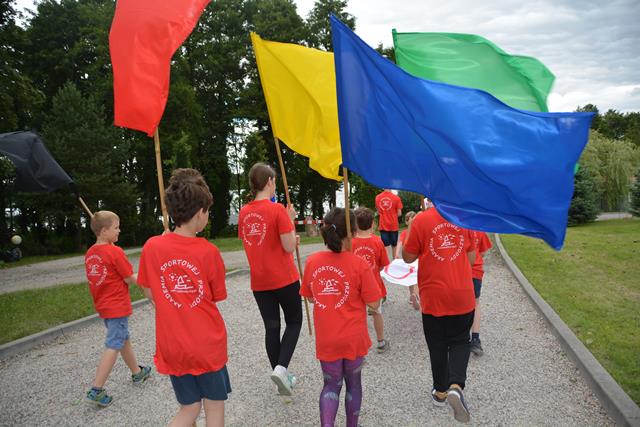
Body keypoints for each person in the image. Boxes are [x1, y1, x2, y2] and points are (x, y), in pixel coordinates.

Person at [137, 169, 230, 427]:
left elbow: (149, 291)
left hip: (173, 345)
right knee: (213, 406)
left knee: (189, 408)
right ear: (200, 213)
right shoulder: (208, 251)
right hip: (206, 345)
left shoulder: (152, 247)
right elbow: (216, 296)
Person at [300, 208, 382, 427]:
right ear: (353, 233)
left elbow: (310, 297)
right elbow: (374, 303)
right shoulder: (359, 264)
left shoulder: (313, 261)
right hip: (353, 338)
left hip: (328, 337)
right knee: (354, 384)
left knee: (331, 385)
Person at [403, 207, 476, 423]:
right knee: (461, 340)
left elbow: (408, 257)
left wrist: (411, 229)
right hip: (462, 292)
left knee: (437, 342)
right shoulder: (464, 216)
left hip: (433, 294)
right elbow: (471, 258)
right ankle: (456, 385)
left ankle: (441, 391)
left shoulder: (421, 220)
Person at [238, 163, 302, 396]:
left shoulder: (244, 212)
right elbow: (288, 246)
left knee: (272, 328)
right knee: (294, 322)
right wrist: (290, 220)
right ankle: (281, 369)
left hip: (260, 281)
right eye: (274, 181)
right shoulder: (277, 210)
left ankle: (280, 378)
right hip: (284, 277)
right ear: (269, 182)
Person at [84, 210, 151, 407]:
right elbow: (129, 278)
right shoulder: (115, 252)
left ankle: (137, 373)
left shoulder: (91, 253)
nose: (119, 230)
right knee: (114, 343)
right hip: (117, 306)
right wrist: (148, 279)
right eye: (116, 227)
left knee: (123, 338)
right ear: (104, 231)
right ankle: (97, 389)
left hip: (103, 305)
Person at [352, 207, 390, 353]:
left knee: (357, 315)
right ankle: (381, 342)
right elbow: (383, 264)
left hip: (355, 285)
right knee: (376, 313)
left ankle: (358, 347)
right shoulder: (377, 241)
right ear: (373, 223)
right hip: (373, 285)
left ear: (354, 224)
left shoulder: (350, 242)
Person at [470, 231, 493, 356]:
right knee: (475, 303)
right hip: (475, 271)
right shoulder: (477, 227)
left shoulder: (454, 225)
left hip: (457, 270)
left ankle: (457, 338)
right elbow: (483, 251)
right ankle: (475, 339)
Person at [396, 211, 420, 310]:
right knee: (417, 278)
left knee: (410, 279)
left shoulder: (404, 232)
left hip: (409, 259)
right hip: (417, 258)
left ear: (406, 222)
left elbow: (400, 243)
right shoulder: (418, 231)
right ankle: (416, 294)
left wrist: (396, 254)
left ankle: (412, 295)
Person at [375, 189, 403, 258]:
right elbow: (399, 213)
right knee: (394, 245)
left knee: (385, 246)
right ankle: (394, 261)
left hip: (383, 225)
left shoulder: (377, 197)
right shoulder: (396, 198)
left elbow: (378, 211)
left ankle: (386, 263)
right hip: (393, 225)